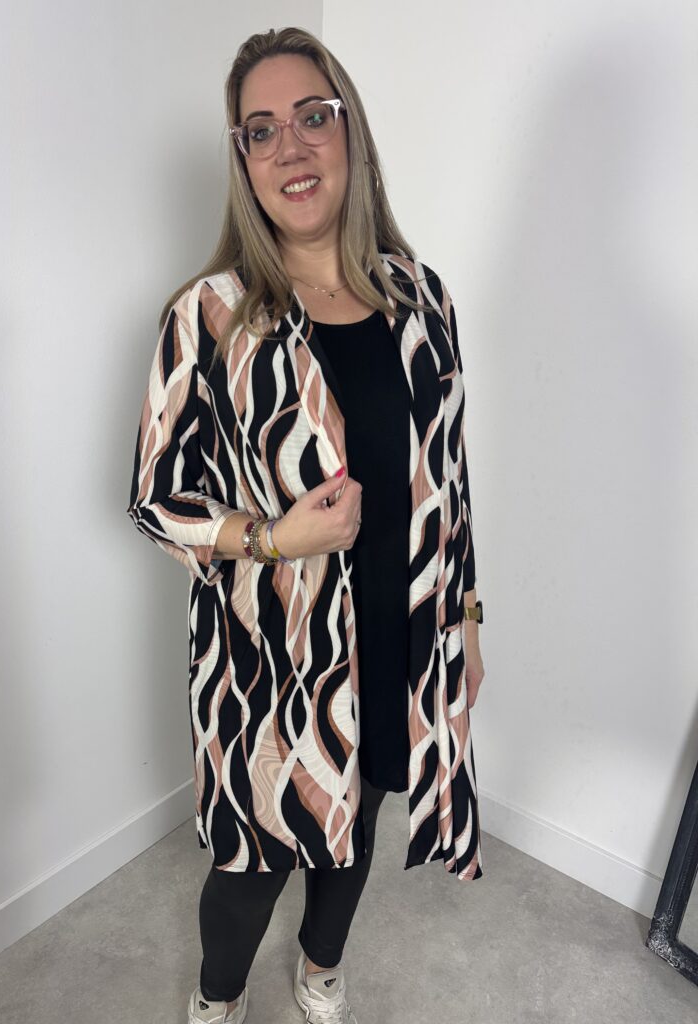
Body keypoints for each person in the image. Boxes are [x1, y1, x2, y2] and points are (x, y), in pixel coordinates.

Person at [126, 26, 486, 1024]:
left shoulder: (422, 299)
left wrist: (467, 619)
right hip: (265, 662)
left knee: (356, 826)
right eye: (261, 129)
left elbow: (451, 482)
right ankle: (219, 992)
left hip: (397, 635)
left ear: (349, 130)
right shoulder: (208, 316)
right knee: (253, 863)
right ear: (243, 159)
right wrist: (274, 539)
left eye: (311, 117)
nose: (290, 146)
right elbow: (155, 499)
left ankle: (321, 967)